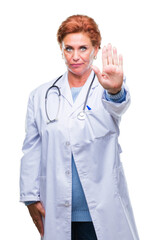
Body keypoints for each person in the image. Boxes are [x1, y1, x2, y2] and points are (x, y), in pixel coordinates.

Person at [20, 15, 140, 240]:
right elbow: (31, 150)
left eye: (83, 48)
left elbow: (118, 106)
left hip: (102, 211)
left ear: (96, 49)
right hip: (57, 209)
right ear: (61, 49)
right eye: (69, 49)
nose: (75, 56)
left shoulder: (106, 89)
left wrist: (115, 91)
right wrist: (29, 196)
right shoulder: (41, 96)